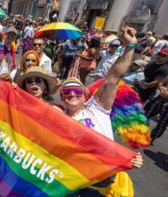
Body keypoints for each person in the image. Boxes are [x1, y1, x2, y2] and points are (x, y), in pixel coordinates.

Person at [61, 26, 143, 196]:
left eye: (76, 91)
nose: (72, 94)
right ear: (62, 98)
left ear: (85, 95)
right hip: (70, 180)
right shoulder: (58, 119)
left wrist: (130, 46)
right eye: (66, 92)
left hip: (99, 184)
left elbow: (113, 77)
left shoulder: (97, 108)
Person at [144, 75, 168, 145]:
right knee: (145, 114)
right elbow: (162, 83)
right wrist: (162, 89)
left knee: (161, 125)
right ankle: (140, 132)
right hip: (160, 98)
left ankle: (151, 138)